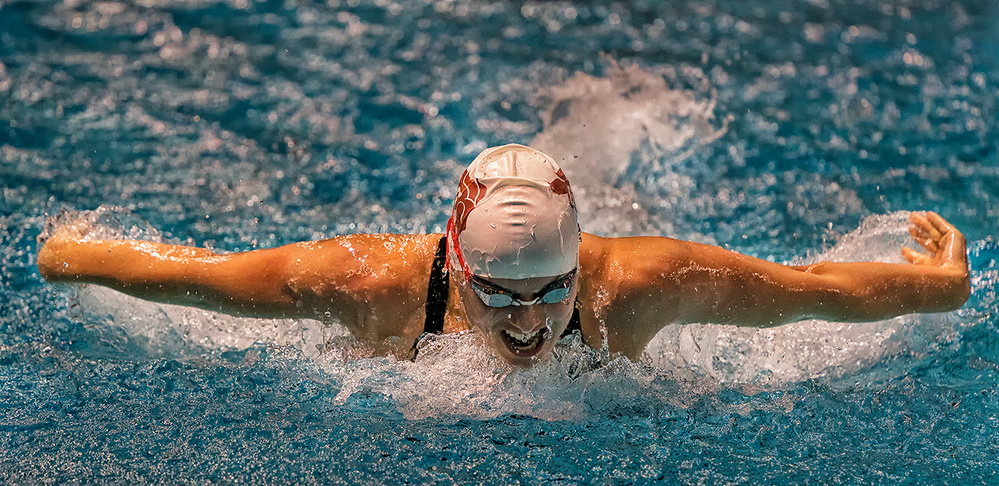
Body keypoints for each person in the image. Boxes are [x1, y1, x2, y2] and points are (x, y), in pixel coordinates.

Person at [37, 144, 971, 367]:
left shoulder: (641, 286)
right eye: (497, 295)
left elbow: (809, 294)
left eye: (547, 291)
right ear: (453, 262)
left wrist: (939, 288)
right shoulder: (364, 285)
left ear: (580, 270)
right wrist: (67, 256)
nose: (526, 323)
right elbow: (192, 275)